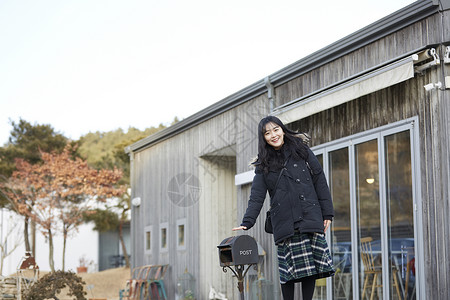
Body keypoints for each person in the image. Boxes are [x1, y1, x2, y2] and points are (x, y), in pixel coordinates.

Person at [232, 116, 335, 300]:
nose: (273, 135)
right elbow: (257, 195)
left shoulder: (301, 150)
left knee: (309, 269)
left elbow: (319, 178)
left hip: (309, 214)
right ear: (263, 138)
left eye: (276, 129)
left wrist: (327, 212)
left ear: (282, 129)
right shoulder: (262, 164)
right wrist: (247, 221)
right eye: (267, 133)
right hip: (284, 220)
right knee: (287, 274)